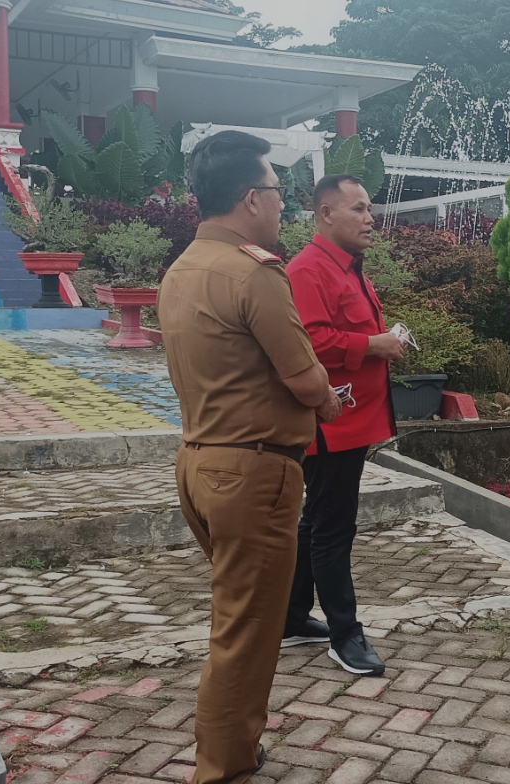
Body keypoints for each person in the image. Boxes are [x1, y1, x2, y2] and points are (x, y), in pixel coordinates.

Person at [158, 130, 341, 784]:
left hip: (200, 463)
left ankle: (233, 746)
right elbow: (305, 378)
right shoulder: (254, 272)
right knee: (246, 634)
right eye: (275, 190)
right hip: (254, 472)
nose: (280, 203)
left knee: (240, 617)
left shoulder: (182, 270)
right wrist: (327, 401)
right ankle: (223, 766)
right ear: (248, 197)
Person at [282, 173, 404, 676]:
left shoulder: (349, 268)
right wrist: (375, 344)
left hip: (355, 417)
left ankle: (291, 617)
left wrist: (382, 337)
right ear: (325, 213)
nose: (369, 218)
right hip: (332, 420)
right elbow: (308, 342)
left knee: (317, 520)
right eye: (358, 209)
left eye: (369, 208)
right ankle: (345, 633)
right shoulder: (309, 269)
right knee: (334, 527)